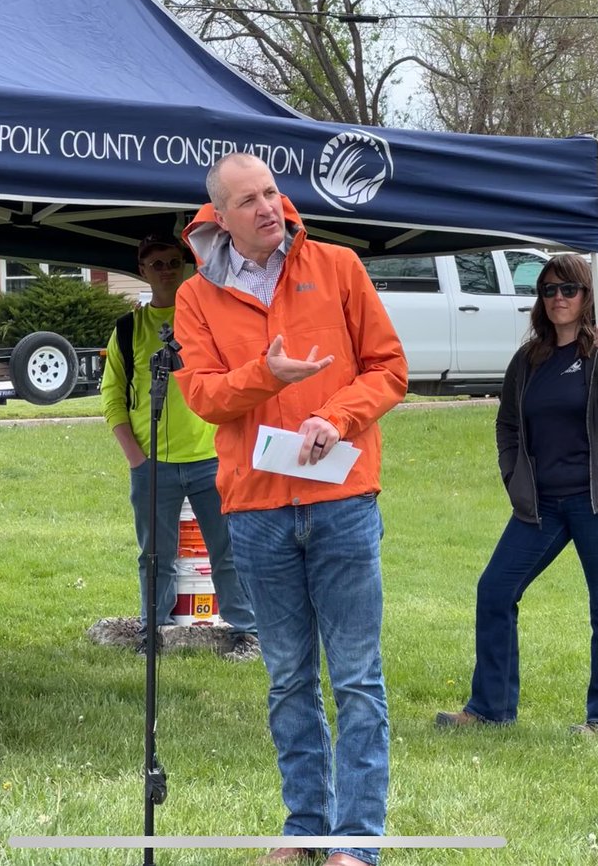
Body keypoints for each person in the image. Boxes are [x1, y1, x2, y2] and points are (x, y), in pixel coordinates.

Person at [173, 153, 407, 866]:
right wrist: (265, 376)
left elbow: (390, 368)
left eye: (272, 192)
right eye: (248, 200)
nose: (268, 207)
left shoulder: (337, 266)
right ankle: (306, 826)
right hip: (257, 511)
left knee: (357, 676)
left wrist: (337, 417)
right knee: (288, 679)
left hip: (341, 500)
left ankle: (357, 844)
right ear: (220, 216)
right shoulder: (195, 298)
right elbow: (204, 397)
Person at [436, 254, 598, 735]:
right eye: (548, 291)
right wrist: (514, 477)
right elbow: (507, 424)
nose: (557, 299)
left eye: (568, 290)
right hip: (541, 506)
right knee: (495, 590)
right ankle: (490, 710)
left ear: (587, 295)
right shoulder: (529, 360)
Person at [100, 233, 259, 661]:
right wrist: (136, 456)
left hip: (213, 458)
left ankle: (246, 632)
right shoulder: (128, 328)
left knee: (228, 551)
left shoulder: (208, 318)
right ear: (142, 271)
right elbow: (112, 397)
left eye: (174, 262)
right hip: (153, 466)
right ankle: (154, 629)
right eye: (157, 264)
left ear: (186, 266)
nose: (167, 270)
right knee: (155, 555)